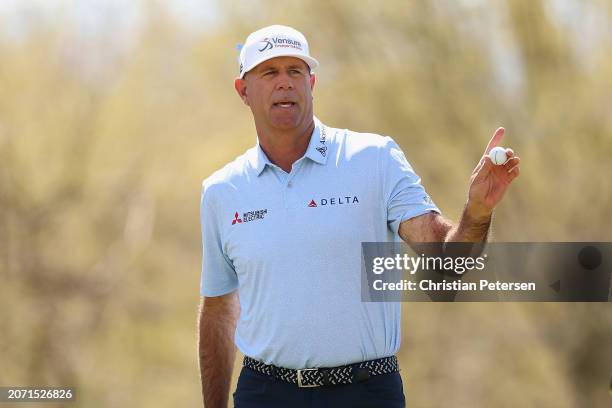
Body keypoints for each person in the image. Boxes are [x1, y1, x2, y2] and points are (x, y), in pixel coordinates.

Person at [197, 24, 520, 408]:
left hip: (365, 390)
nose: (285, 83)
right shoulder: (222, 191)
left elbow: (446, 262)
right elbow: (218, 309)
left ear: (312, 82)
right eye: (269, 72)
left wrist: (477, 212)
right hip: (265, 393)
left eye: (295, 71)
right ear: (243, 90)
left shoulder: (374, 159)